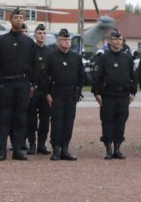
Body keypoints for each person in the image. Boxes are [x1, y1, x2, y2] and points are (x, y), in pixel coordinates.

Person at [0, 9, 39, 161]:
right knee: (4, 117)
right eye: (15, 18)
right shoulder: (2, 41)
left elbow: (34, 65)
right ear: (10, 21)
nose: (18, 20)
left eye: (21, 18)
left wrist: (33, 84)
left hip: (23, 83)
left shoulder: (29, 42)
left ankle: (17, 148)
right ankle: (2, 149)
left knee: (20, 117)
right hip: (6, 83)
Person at [92, 28, 136, 159]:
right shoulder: (103, 58)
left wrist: (133, 93)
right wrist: (97, 94)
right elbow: (96, 77)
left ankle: (117, 148)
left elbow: (134, 77)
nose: (117, 41)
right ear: (109, 42)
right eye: (115, 39)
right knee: (107, 122)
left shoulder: (127, 58)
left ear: (122, 41)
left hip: (123, 96)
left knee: (120, 122)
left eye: (119, 39)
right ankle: (108, 148)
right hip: (108, 96)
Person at [42, 29, 85, 161]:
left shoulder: (76, 58)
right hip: (56, 94)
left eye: (68, 40)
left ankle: (65, 148)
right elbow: (44, 76)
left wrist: (78, 91)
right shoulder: (51, 57)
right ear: (58, 41)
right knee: (57, 122)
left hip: (71, 94)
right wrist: (47, 93)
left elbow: (82, 77)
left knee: (68, 122)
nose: (66, 42)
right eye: (63, 39)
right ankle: (56, 149)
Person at [26, 24, 52, 155]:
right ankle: (32, 144)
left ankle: (42, 144)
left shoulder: (50, 52)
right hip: (33, 91)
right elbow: (27, 70)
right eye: (39, 33)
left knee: (45, 119)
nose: (42, 35)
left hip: (45, 91)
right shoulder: (30, 51)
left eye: (43, 33)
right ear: (35, 35)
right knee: (31, 119)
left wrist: (50, 91)